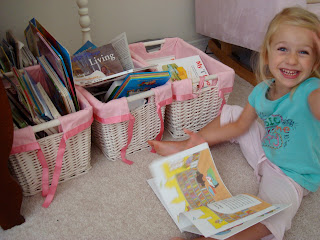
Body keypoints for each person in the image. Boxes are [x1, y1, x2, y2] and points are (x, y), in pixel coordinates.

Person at [148, 7, 320, 240]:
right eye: (283, 49)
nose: (291, 59)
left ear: (315, 60)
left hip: (291, 174)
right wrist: (204, 139)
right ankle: (188, 145)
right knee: (232, 112)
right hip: (266, 149)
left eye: (303, 52)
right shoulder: (261, 92)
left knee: (275, 217)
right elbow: (239, 127)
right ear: (267, 55)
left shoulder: (311, 91)